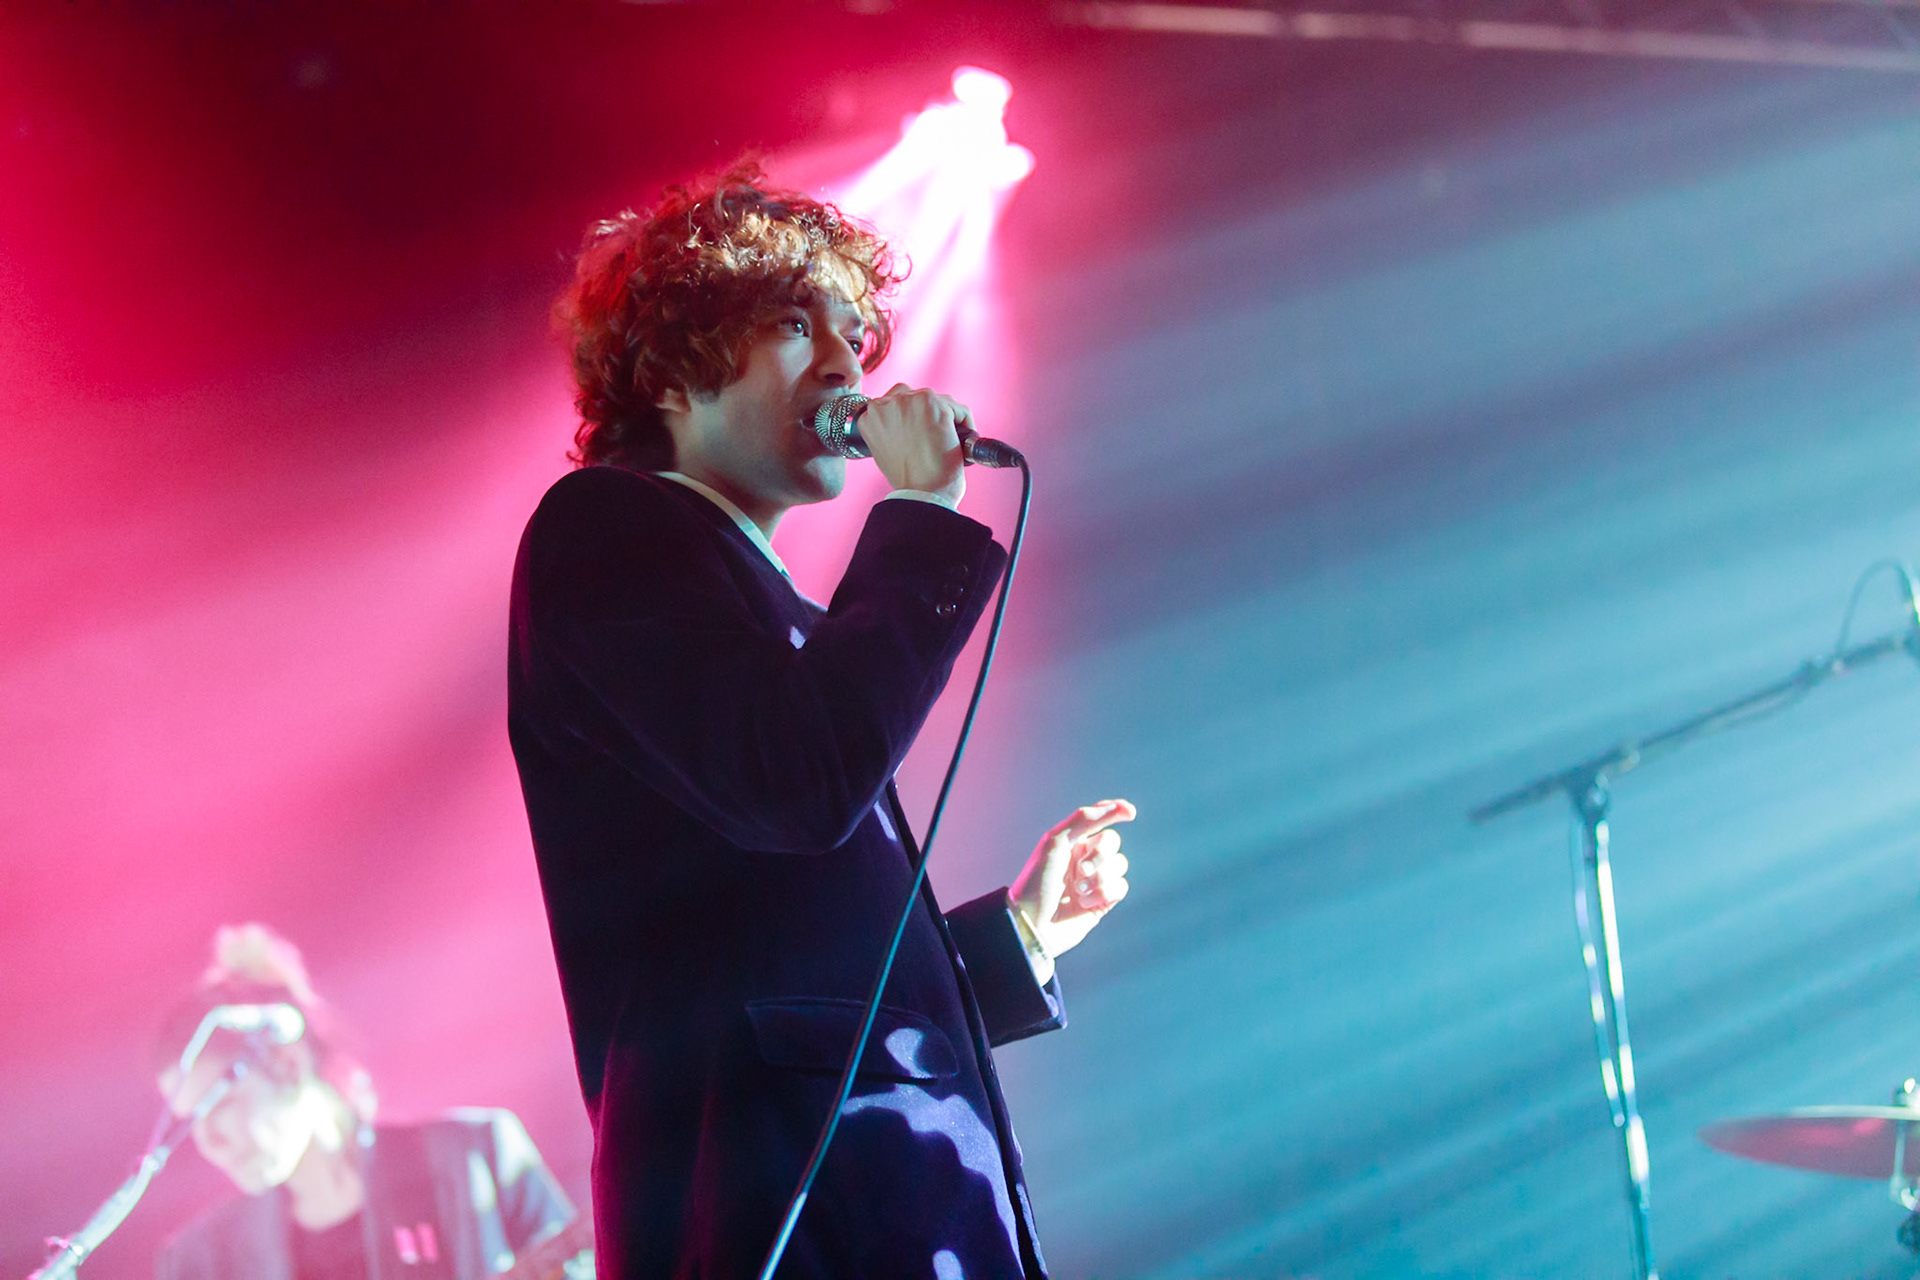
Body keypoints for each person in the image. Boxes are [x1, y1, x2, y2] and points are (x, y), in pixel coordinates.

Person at [507, 162, 1136, 1280]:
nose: (849, 365)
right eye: (798, 324)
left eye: (857, 336)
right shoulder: (601, 532)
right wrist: (917, 521)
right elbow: (795, 784)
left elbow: (814, 949)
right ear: (671, 364)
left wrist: (1017, 936)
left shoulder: (791, 616)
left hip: (904, 1199)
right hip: (782, 1203)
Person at [152, 923, 587, 1280]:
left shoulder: (473, 1154)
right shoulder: (202, 1261)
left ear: (287, 1063)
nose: (208, 1142)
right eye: (191, 1121)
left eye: (218, 1104)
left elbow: (583, 1266)